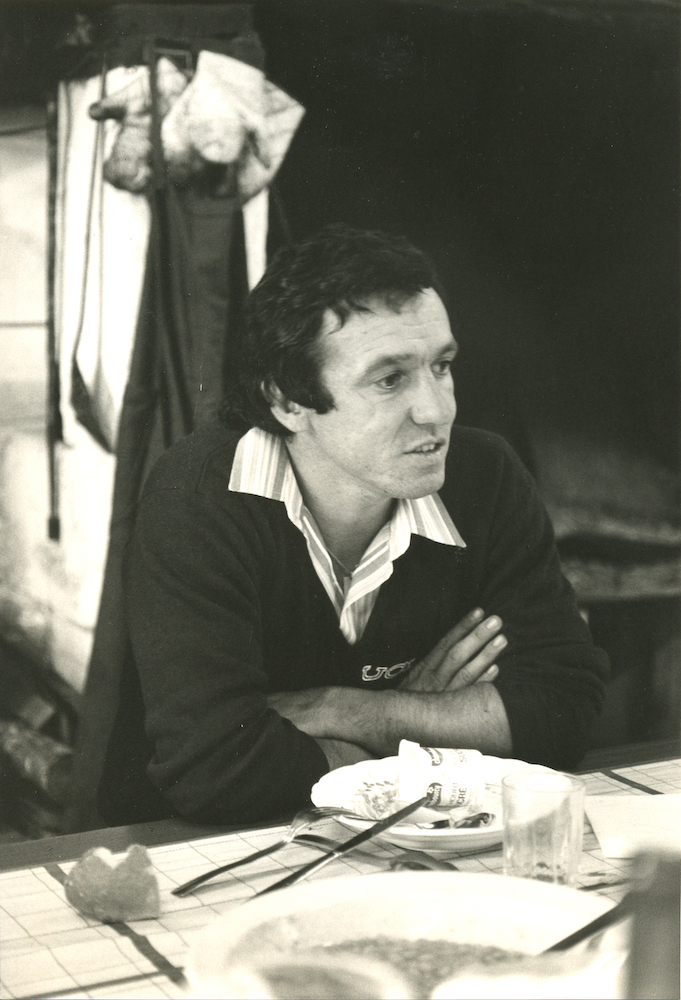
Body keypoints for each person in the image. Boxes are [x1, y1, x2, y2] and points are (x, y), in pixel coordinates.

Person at [98, 224, 608, 826]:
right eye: (389, 379)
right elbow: (217, 769)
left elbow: (565, 712)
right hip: (210, 849)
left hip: (427, 842)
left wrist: (365, 714)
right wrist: (436, 728)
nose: (437, 410)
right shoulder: (201, 498)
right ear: (288, 400)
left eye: (441, 366)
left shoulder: (486, 477)